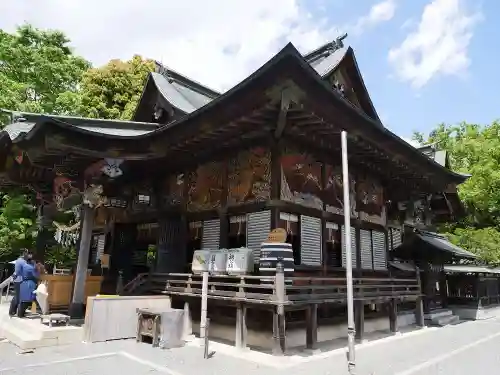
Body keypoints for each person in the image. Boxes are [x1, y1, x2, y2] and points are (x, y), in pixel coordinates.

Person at [17, 253, 40, 318]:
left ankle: (20, 313)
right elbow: (36, 276)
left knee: (22, 299)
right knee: (32, 298)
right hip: (30, 283)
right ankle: (33, 311)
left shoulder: (23, 266)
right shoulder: (31, 267)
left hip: (23, 282)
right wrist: (37, 270)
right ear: (32, 261)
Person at [9, 249, 29, 317]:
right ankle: (19, 313)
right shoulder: (22, 261)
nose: (28, 254)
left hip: (18, 280)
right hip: (20, 280)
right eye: (27, 253)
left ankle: (13, 311)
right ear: (24, 253)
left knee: (17, 296)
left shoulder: (18, 260)